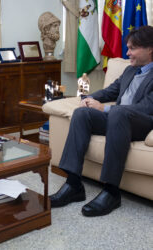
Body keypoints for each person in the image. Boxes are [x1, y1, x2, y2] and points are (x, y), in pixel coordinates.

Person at [50, 26, 153, 217]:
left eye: (132, 48)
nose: (128, 53)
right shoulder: (130, 70)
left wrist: (104, 108)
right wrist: (87, 99)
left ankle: (111, 191)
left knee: (117, 113)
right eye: (127, 48)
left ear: (150, 49)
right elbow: (110, 92)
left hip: (142, 123)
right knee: (82, 114)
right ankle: (73, 185)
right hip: (118, 120)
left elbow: (147, 108)